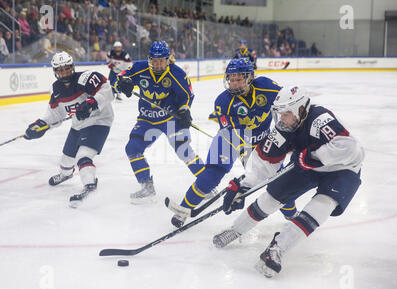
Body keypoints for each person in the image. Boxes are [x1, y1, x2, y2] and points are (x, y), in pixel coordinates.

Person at [213, 85, 365, 278]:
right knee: (272, 196)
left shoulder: (319, 119)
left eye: (286, 114)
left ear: (300, 110)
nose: (281, 120)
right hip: (306, 164)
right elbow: (265, 165)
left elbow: (352, 150)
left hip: (343, 169)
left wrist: (314, 155)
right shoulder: (284, 128)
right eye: (279, 114)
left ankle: (277, 249)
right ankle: (236, 230)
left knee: (321, 206)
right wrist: (242, 186)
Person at [166, 58, 297, 228]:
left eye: (239, 79)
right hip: (229, 139)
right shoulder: (223, 101)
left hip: (262, 140)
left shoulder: (266, 86)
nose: (234, 84)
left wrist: (288, 133)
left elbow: (285, 106)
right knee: (210, 176)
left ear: (249, 77)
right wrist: (247, 158)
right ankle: (183, 210)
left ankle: (292, 215)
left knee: (277, 179)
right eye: (231, 79)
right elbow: (232, 133)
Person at [111, 40, 206, 203]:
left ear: (168, 59)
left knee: (183, 149)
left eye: (161, 61)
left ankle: (207, 184)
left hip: (171, 119)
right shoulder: (140, 68)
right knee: (132, 148)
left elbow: (187, 96)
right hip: (147, 118)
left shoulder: (177, 74)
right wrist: (123, 83)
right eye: (154, 61)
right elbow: (120, 77)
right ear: (149, 60)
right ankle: (146, 186)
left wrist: (185, 111)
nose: (158, 64)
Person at [24, 51, 114, 207]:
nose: (64, 72)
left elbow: (107, 90)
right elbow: (55, 114)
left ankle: (89, 184)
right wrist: (39, 125)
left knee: (83, 155)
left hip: (99, 121)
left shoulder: (86, 78)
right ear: (55, 72)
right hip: (78, 124)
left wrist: (91, 103)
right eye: (60, 70)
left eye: (67, 68)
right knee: (66, 159)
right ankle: (66, 174)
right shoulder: (56, 89)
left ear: (72, 67)